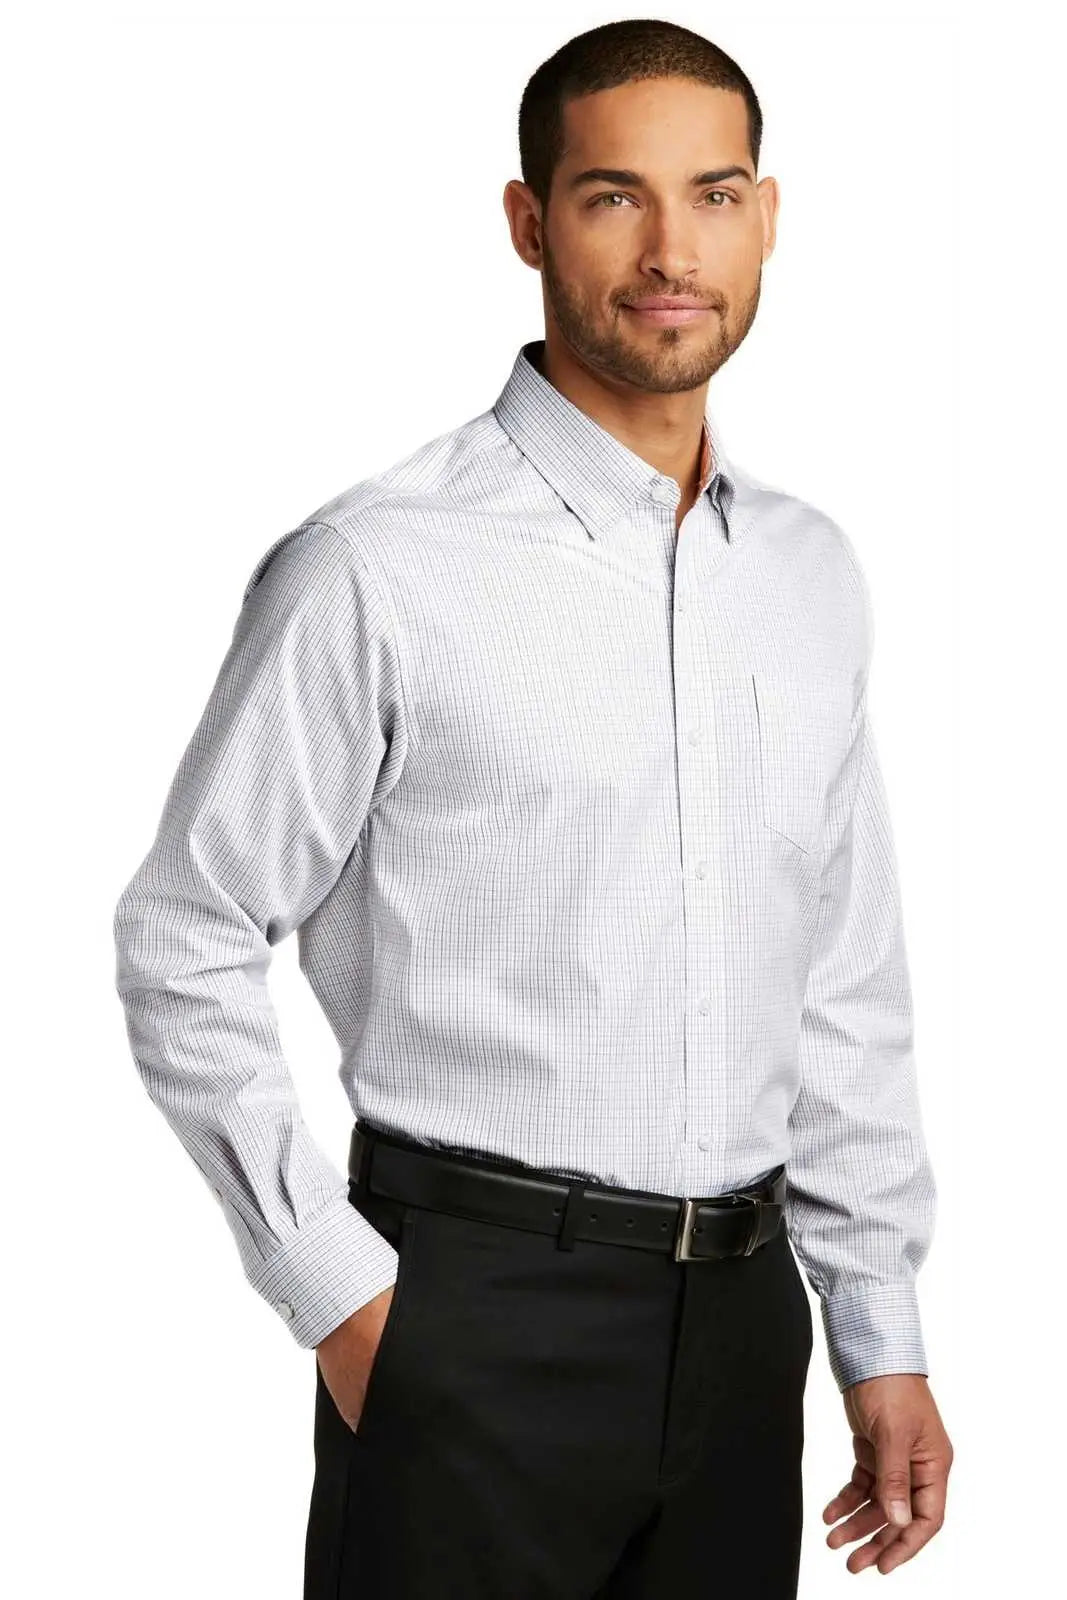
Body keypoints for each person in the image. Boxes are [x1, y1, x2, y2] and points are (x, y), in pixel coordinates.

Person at [112, 17, 952, 1597]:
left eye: (713, 195)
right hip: (472, 1314)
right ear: (528, 222)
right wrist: (342, 1297)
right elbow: (186, 934)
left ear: (767, 217)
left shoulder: (809, 576)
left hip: (746, 1326)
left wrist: (879, 1330)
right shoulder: (377, 568)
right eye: (613, 196)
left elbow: (842, 977)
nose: (672, 251)